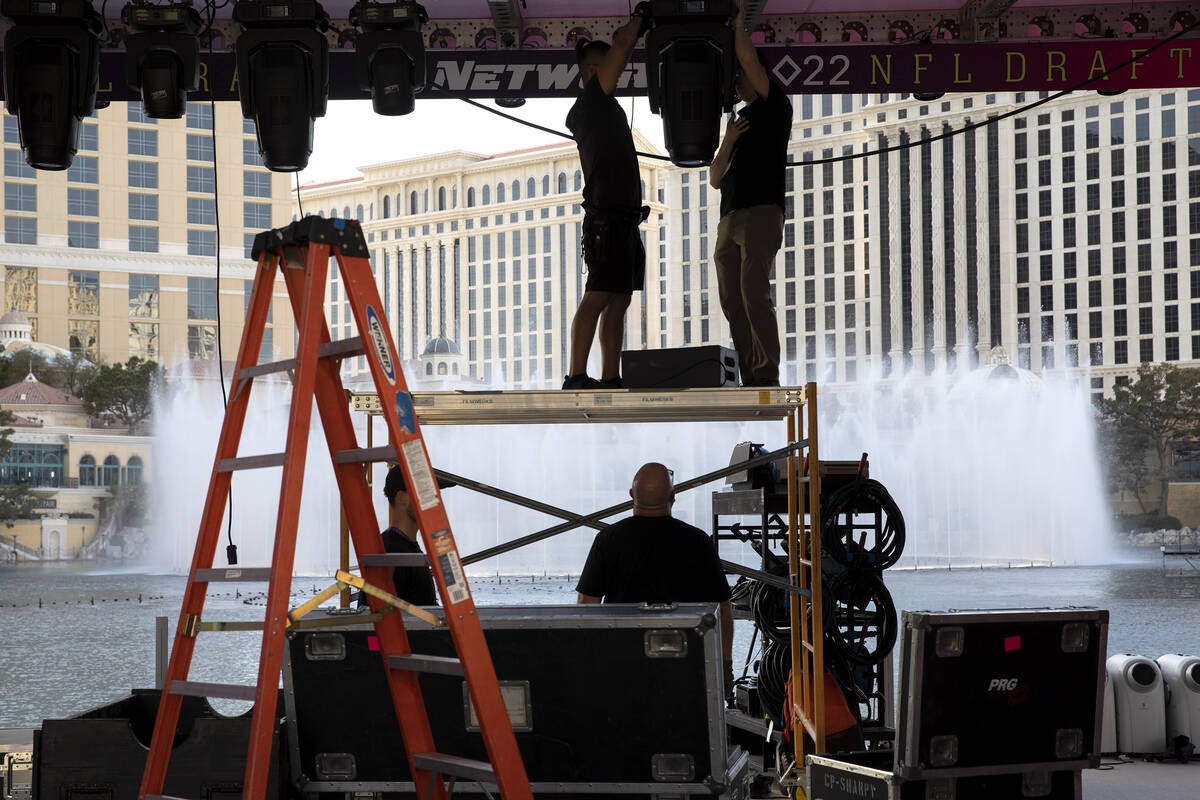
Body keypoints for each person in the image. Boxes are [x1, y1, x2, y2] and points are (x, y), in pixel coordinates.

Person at [576, 462, 734, 687]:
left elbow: (587, 603)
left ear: (632, 495)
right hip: (685, 659)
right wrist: (725, 666)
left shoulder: (608, 539)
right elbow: (722, 608)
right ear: (673, 496)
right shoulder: (697, 541)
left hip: (621, 659)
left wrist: (588, 659)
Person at [561, 5, 652, 390]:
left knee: (619, 300)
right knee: (598, 296)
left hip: (625, 219)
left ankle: (610, 376)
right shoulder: (592, 103)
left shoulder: (604, 106)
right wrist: (639, 21)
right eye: (608, 65)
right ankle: (576, 375)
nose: (618, 69)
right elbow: (623, 45)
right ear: (592, 72)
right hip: (608, 219)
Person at [709, 6, 793, 387]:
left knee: (752, 290)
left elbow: (746, 57)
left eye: (742, 73)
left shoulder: (775, 104)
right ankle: (749, 374)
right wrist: (727, 141)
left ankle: (766, 374)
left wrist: (738, 24)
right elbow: (714, 177)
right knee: (731, 300)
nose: (737, 79)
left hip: (761, 211)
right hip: (730, 218)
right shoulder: (737, 122)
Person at [357, 464, 452, 608]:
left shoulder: (403, 549)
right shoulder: (393, 555)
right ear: (402, 498)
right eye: (426, 493)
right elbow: (378, 621)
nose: (435, 501)